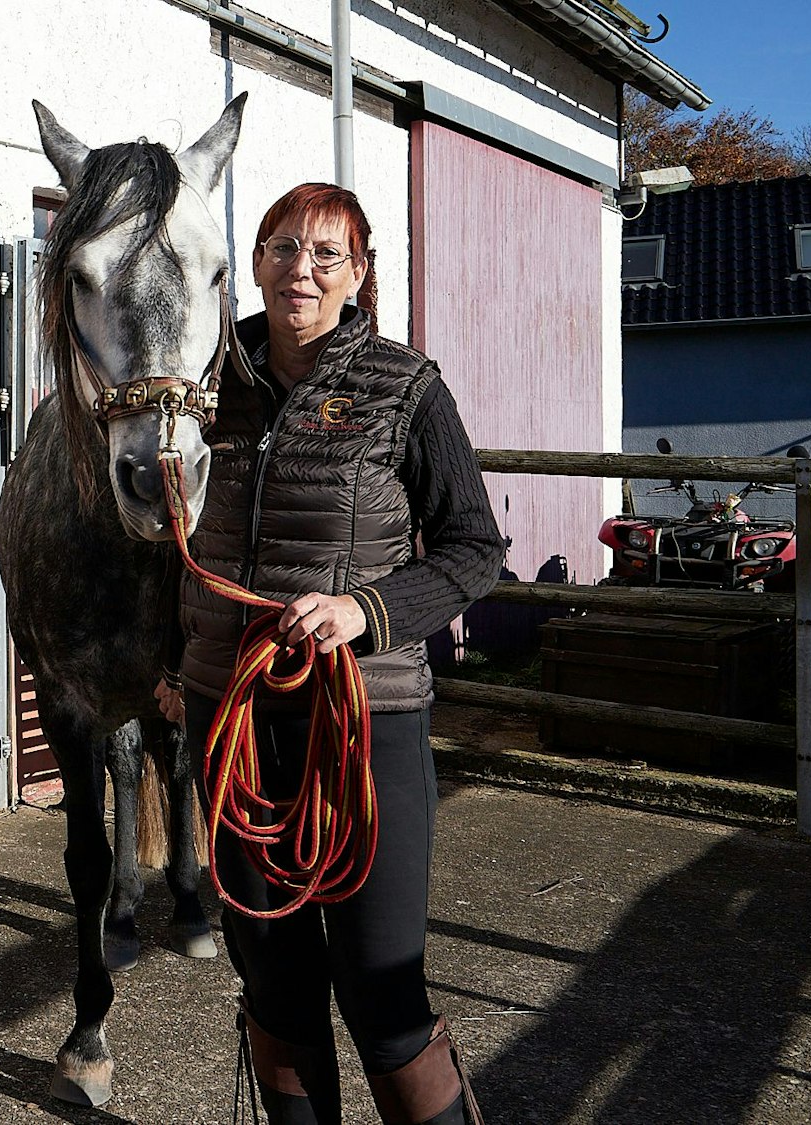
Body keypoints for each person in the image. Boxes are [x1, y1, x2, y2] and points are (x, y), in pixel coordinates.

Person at [169, 183, 506, 1125]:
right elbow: (169, 531)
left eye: (326, 254)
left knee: (381, 988)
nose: (300, 270)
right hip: (227, 716)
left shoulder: (406, 387)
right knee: (274, 985)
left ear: (359, 274)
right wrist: (176, 659)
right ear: (257, 262)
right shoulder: (207, 378)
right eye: (282, 248)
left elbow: (475, 548)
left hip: (363, 722)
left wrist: (366, 612)